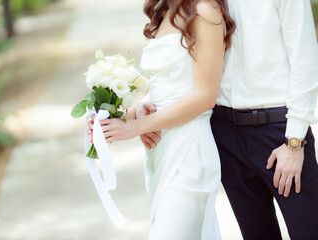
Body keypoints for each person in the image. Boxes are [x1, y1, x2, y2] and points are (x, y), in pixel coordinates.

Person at [137, 0, 318, 239]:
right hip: (224, 133)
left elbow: (305, 60)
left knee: (309, 232)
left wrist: (294, 142)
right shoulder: (201, 3)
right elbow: (183, 64)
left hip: (278, 132)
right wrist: (146, 101)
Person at [89, 0, 235, 238]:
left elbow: (205, 96)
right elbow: (163, 85)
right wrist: (126, 115)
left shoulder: (206, 11)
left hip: (189, 153)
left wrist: (137, 127)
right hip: (160, 149)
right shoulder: (164, 11)